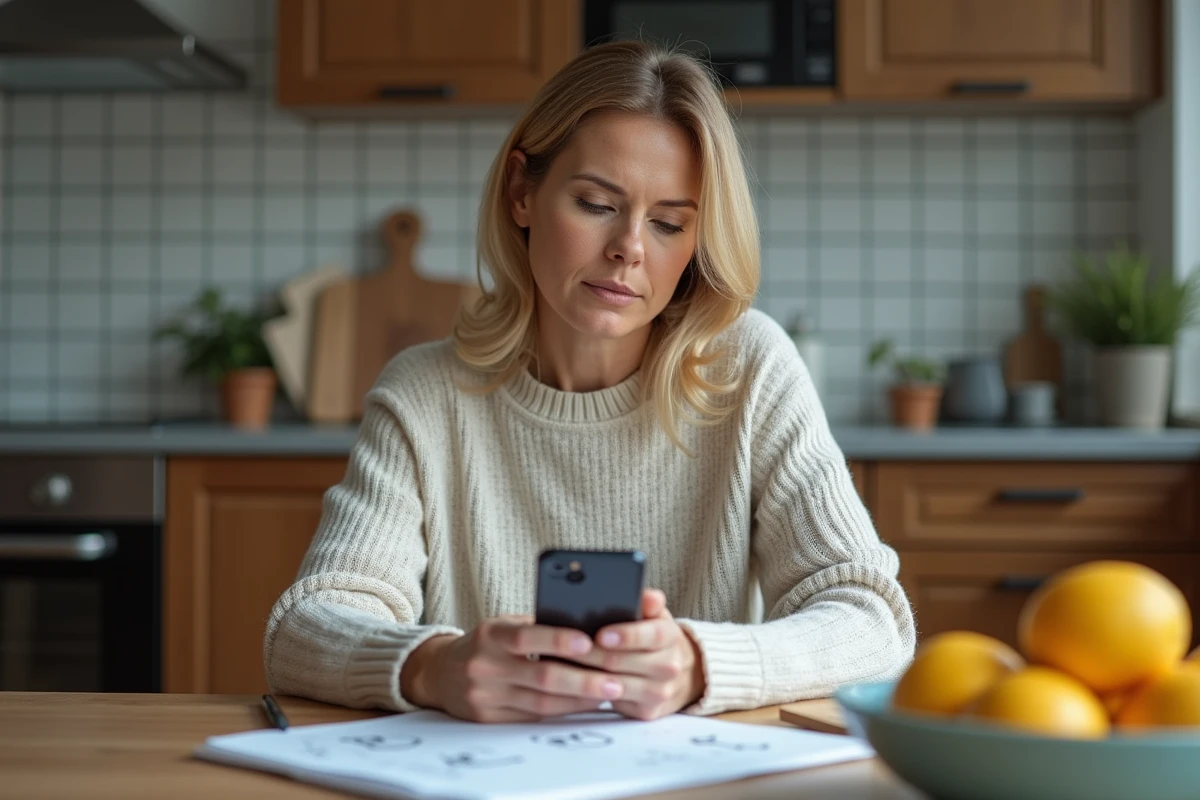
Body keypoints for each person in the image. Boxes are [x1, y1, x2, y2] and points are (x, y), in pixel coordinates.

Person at [264, 40, 916, 723]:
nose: (630, 247)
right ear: (522, 192)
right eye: (597, 204)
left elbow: (874, 623)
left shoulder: (750, 369)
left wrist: (697, 663)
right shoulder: (425, 393)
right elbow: (306, 627)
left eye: (668, 223)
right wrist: (432, 667)